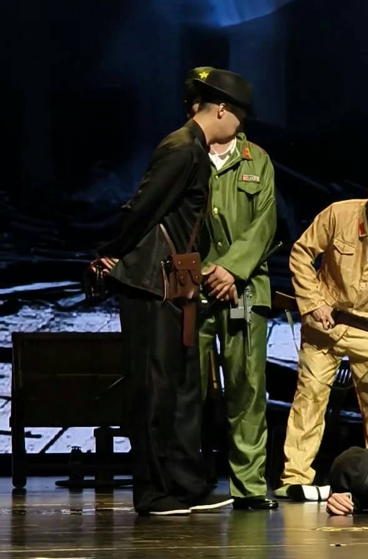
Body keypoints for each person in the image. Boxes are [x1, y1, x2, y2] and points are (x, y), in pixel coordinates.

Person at [90, 70, 254, 515]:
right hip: (150, 283)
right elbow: (143, 207)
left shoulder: (193, 148)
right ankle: (152, 491)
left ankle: (183, 485)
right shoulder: (181, 148)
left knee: (179, 386)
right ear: (221, 110)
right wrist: (110, 252)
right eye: (239, 116)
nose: (240, 125)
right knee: (152, 387)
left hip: (173, 283)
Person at [276, 161, 368, 501]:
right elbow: (301, 254)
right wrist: (313, 303)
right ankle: (295, 476)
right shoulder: (339, 215)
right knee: (310, 397)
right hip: (325, 321)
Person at [182, 67, 279, 511]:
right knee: (190, 390)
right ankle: (188, 482)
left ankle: (249, 485)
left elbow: (265, 224)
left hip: (245, 291)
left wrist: (232, 270)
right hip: (195, 291)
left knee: (247, 389)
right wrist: (207, 271)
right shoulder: (185, 154)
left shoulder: (257, 160)